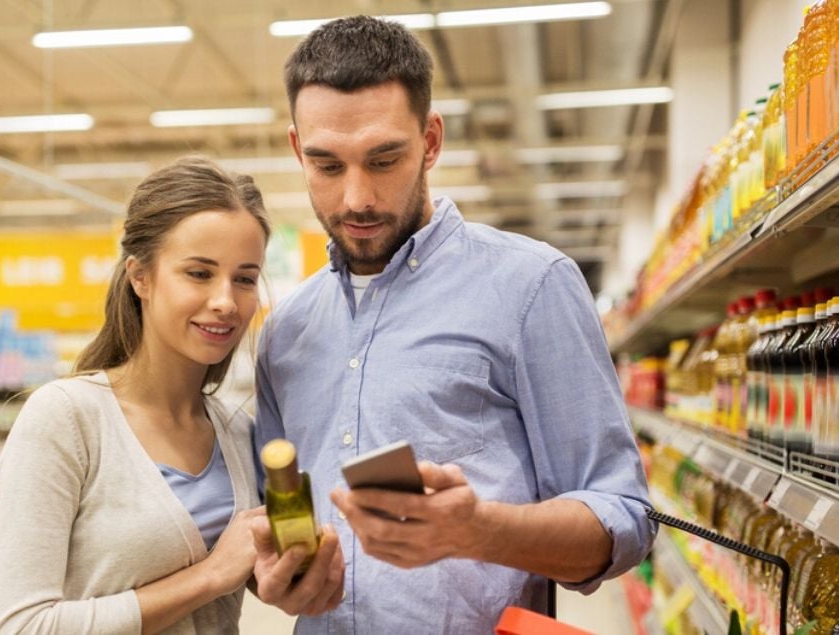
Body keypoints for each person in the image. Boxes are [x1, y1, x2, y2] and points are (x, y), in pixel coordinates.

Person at [251, 16, 657, 633]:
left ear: (431, 140)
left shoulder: (532, 286)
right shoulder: (285, 331)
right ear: (296, 149)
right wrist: (279, 580)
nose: (356, 198)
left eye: (384, 159)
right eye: (327, 166)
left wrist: (481, 530)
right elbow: (279, 523)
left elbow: (623, 517)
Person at [0, 157, 278, 634]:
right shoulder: (66, 418)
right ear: (140, 276)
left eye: (244, 278)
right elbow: (20, 626)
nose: (226, 300)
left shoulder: (236, 432)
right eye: (200, 273)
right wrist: (208, 576)